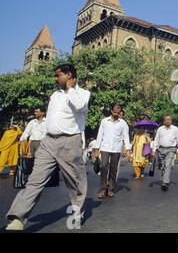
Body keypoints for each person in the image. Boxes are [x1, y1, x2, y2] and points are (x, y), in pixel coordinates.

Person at [5, 64, 90, 231]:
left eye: (58, 75)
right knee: (34, 180)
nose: (55, 79)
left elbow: (79, 106)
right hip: (49, 142)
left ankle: (77, 209)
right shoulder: (55, 95)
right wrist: (43, 141)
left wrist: (71, 88)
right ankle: (17, 218)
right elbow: (51, 119)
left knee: (75, 182)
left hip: (70, 142)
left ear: (69, 76)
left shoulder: (83, 94)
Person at [93, 104, 132, 198]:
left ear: (120, 113)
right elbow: (100, 135)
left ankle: (110, 189)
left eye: (118, 113)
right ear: (111, 111)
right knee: (104, 167)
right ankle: (103, 189)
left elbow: (126, 136)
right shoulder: (104, 121)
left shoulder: (123, 123)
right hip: (105, 148)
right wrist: (96, 149)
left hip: (116, 149)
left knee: (114, 169)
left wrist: (128, 150)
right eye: (115, 112)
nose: (116, 114)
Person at [153, 114, 178, 191]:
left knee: (168, 164)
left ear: (171, 120)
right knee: (163, 166)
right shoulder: (160, 129)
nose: (167, 121)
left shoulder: (175, 129)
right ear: (164, 121)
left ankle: (165, 182)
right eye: (166, 119)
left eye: (169, 119)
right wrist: (153, 150)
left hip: (171, 149)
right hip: (161, 149)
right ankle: (164, 179)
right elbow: (156, 140)